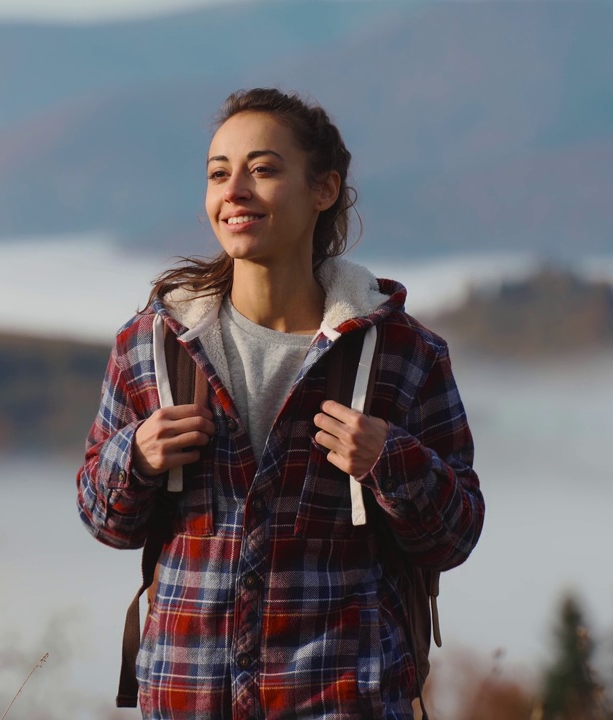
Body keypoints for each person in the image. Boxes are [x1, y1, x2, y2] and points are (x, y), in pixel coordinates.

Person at [76, 88, 484, 720]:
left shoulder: (403, 353)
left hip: (344, 699)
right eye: (218, 174)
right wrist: (137, 455)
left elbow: (456, 534)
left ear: (324, 189)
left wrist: (389, 460)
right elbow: (105, 521)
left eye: (262, 170)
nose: (233, 190)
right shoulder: (152, 347)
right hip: (187, 697)